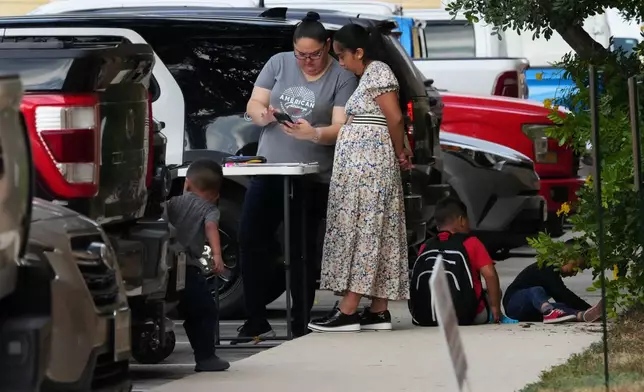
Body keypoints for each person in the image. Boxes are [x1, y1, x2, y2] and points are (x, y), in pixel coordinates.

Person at [237, 12, 358, 340]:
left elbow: (339, 126)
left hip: (311, 176)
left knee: (301, 248)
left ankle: (300, 319)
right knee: (250, 238)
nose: (308, 62)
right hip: (272, 167)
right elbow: (255, 101)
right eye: (301, 55)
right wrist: (262, 115)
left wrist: (313, 135)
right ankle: (255, 318)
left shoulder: (341, 76)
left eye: (315, 55)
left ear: (328, 47)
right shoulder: (278, 63)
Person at [307, 23, 413, 333]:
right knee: (374, 227)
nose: (339, 63)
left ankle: (349, 308)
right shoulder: (367, 75)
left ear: (359, 52)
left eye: (341, 56)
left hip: (369, 164)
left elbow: (393, 116)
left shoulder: (377, 71)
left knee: (365, 228)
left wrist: (399, 151)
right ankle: (378, 308)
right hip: (363, 163)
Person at [163, 159, 229, 372]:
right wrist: (217, 255)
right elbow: (211, 227)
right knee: (204, 311)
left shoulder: (172, 202)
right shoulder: (210, 208)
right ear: (216, 195)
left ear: (187, 183)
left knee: (179, 308)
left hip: (165, 266)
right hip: (188, 268)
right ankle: (206, 357)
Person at [419, 197, 504, 325]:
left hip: (428, 315)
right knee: (497, 292)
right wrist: (495, 308)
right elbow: (490, 275)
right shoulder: (472, 243)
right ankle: (494, 314)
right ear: (461, 220)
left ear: (437, 225)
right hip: (467, 316)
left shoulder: (426, 246)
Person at [503, 256, 605, 324]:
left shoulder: (552, 272)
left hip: (530, 311)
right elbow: (561, 294)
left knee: (561, 306)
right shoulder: (546, 267)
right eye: (577, 267)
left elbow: (563, 297)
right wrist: (585, 306)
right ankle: (548, 311)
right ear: (567, 258)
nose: (575, 273)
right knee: (536, 290)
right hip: (514, 304)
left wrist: (588, 309)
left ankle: (582, 315)